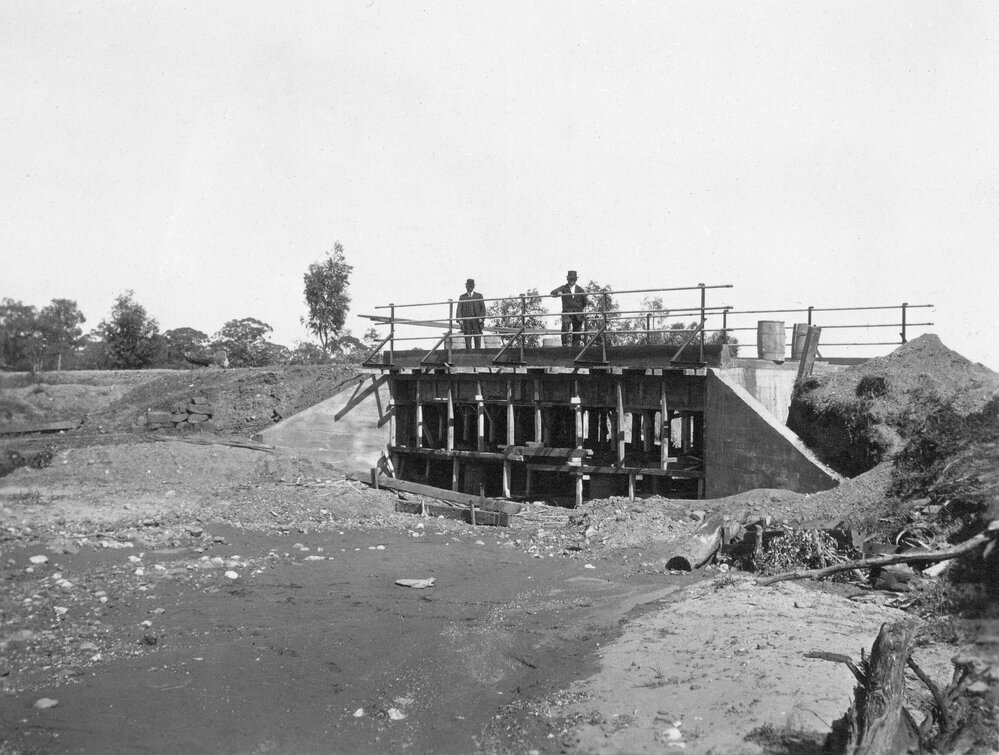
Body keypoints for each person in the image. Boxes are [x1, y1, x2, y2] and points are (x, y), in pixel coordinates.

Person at [550, 270, 588, 347]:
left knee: (577, 330)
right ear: (567, 279)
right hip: (567, 312)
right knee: (565, 325)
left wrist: (581, 310)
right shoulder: (563, 288)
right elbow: (552, 292)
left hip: (578, 313)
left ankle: (575, 346)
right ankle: (564, 345)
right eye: (570, 279)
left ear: (576, 280)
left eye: (573, 279)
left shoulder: (580, 289)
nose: (571, 281)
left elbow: (585, 301)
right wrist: (558, 293)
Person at [456, 278, 486, 349]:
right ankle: (469, 353)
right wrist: (459, 319)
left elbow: (483, 309)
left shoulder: (479, 296)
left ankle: (478, 353)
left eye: (471, 286)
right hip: (466, 321)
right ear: (466, 287)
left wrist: (481, 318)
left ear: (473, 287)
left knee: (477, 339)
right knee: (468, 340)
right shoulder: (462, 297)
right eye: (468, 286)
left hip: (476, 321)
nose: (470, 288)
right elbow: (459, 309)